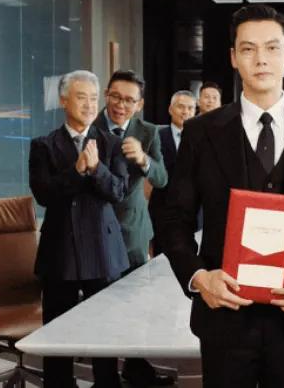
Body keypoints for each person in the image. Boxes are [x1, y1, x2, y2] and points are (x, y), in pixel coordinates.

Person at [158, 4, 284, 388]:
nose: (261, 59)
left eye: (272, 48)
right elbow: (173, 218)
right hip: (224, 316)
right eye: (248, 49)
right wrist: (198, 277)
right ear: (234, 57)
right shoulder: (201, 132)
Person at [29, 70, 129, 388]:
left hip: (102, 250)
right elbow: (44, 195)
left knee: (104, 334)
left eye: (93, 98)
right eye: (81, 97)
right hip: (61, 251)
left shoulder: (112, 143)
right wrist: (76, 171)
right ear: (63, 100)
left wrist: (96, 168)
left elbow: (119, 191)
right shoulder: (43, 145)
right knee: (58, 334)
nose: (88, 105)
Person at [92, 70, 173, 386]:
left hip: (133, 232)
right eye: (115, 97)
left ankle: (137, 368)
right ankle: (105, 377)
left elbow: (162, 179)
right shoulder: (90, 126)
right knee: (101, 307)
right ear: (106, 95)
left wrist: (143, 159)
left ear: (139, 105)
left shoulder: (148, 131)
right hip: (96, 229)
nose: (120, 105)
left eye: (128, 100)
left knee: (135, 306)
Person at [149, 90, 197, 251]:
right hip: (162, 208)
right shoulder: (156, 135)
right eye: (181, 107)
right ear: (170, 109)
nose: (185, 112)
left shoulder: (202, 138)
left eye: (190, 108)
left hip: (192, 211)